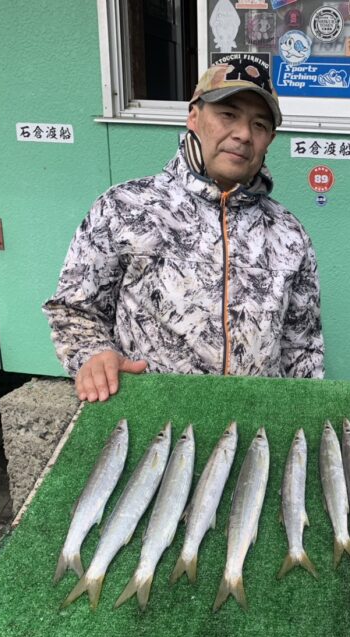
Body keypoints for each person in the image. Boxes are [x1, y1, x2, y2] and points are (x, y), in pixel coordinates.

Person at [43, 55, 325, 403]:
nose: (243, 134)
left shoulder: (289, 234)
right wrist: (94, 354)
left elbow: (302, 347)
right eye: (228, 114)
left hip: (257, 419)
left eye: (259, 125)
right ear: (194, 116)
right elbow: (74, 309)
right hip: (152, 416)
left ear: (270, 139)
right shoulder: (125, 207)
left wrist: (305, 411)